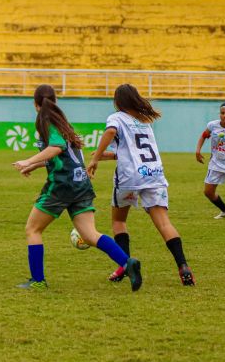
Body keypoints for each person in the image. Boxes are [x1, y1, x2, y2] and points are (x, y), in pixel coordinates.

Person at [12, 84, 143, 291]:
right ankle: (128, 263)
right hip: (80, 182)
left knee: (33, 229)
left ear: (35, 103)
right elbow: (65, 156)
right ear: (55, 100)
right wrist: (36, 165)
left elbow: (57, 148)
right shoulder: (62, 121)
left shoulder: (45, 121)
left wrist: (28, 161)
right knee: (90, 235)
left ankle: (37, 281)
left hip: (62, 186)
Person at [87, 84, 195, 286]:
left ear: (118, 101)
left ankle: (124, 266)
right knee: (164, 223)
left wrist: (95, 158)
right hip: (153, 174)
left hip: (130, 178)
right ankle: (183, 266)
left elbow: (110, 132)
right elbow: (134, 151)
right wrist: (107, 156)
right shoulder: (144, 121)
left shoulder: (117, 117)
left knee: (119, 222)